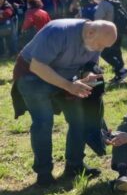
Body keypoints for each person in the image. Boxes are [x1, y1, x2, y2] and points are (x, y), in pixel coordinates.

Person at [13, 19, 117, 186]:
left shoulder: (94, 38)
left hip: (67, 78)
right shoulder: (58, 31)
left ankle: (74, 165)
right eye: (99, 45)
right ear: (90, 32)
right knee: (43, 123)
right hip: (33, 77)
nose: (100, 50)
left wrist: (88, 74)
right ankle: (44, 173)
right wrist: (68, 86)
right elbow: (37, 66)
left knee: (79, 120)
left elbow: (91, 63)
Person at [95, 0, 127, 83]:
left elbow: (97, 19)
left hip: (107, 33)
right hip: (118, 32)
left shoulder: (103, 5)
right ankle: (120, 74)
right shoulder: (116, 4)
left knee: (104, 53)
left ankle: (121, 69)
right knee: (116, 52)